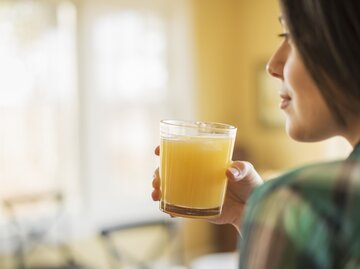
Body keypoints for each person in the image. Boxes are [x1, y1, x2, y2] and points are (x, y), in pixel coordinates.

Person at [152, 0, 360, 268]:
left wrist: (279, 210)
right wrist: (249, 216)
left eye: (291, 36)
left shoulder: (300, 200)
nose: (273, 65)